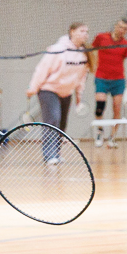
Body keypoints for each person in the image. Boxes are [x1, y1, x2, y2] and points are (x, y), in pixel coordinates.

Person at [27, 22, 89, 165]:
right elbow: (42, 69)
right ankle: (49, 155)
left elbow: (81, 77)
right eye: (81, 31)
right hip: (48, 90)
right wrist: (33, 87)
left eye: (87, 32)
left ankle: (56, 153)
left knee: (62, 123)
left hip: (66, 92)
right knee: (52, 120)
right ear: (72, 32)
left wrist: (79, 95)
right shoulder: (57, 50)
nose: (85, 34)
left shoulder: (84, 54)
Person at [90, 18, 127, 146]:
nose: (122, 30)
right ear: (115, 26)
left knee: (117, 109)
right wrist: (92, 66)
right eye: (120, 27)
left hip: (118, 80)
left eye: (125, 29)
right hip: (102, 78)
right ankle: (99, 132)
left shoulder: (126, 44)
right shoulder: (101, 37)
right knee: (100, 106)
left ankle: (112, 137)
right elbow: (91, 51)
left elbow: (122, 59)